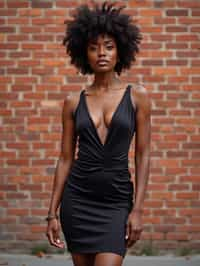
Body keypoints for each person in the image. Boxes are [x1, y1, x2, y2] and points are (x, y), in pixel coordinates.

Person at [45, 1, 151, 266]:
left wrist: (137, 210)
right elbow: (66, 158)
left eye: (109, 46)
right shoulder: (73, 101)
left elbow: (143, 154)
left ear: (120, 51)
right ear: (84, 54)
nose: (101, 53)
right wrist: (51, 213)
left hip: (116, 201)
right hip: (78, 200)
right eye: (93, 48)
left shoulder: (137, 97)